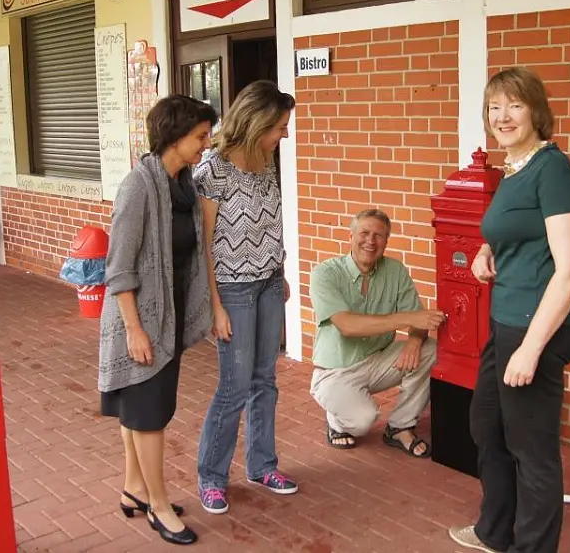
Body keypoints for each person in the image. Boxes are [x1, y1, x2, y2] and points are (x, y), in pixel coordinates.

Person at [448, 67, 570, 553]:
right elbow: (520, 229)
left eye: (514, 105)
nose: (502, 116)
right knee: (486, 424)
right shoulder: (514, 167)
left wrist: (531, 349)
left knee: (533, 450)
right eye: (494, 107)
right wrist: (489, 250)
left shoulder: (553, 170)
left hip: (537, 325)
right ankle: (495, 531)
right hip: (507, 319)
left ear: (536, 112)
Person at [98, 94, 217, 546]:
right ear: (175, 136)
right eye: (200, 136)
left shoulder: (182, 186)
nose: (206, 144)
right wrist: (134, 329)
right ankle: (159, 506)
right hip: (141, 320)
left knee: (140, 409)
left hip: (168, 314)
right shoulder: (138, 186)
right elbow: (119, 268)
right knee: (150, 414)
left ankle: (135, 488)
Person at [195, 80, 297, 514]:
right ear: (256, 124)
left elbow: (270, 220)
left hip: (269, 283)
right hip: (232, 290)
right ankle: (212, 477)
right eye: (279, 127)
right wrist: (214, 306)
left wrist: (280, 271)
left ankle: (262, 466)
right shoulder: (212, 170)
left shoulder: (265, 160)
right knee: (234, 387)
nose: (284, 135)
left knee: (264, 381)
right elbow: (203, 244)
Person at [309, 209, 446, 456]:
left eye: (379, 235)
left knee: (430, 350)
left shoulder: (395, 270)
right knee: (363, 420)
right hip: (335, 371)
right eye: (364, 233)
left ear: (386, 241)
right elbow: (347, 326)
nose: (370, 241)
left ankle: (400, 427)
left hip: (378, 361)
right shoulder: (325, 273)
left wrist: (415, 341)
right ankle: (336, 421)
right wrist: (408, 319)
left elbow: (419, 320)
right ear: (351, 236)